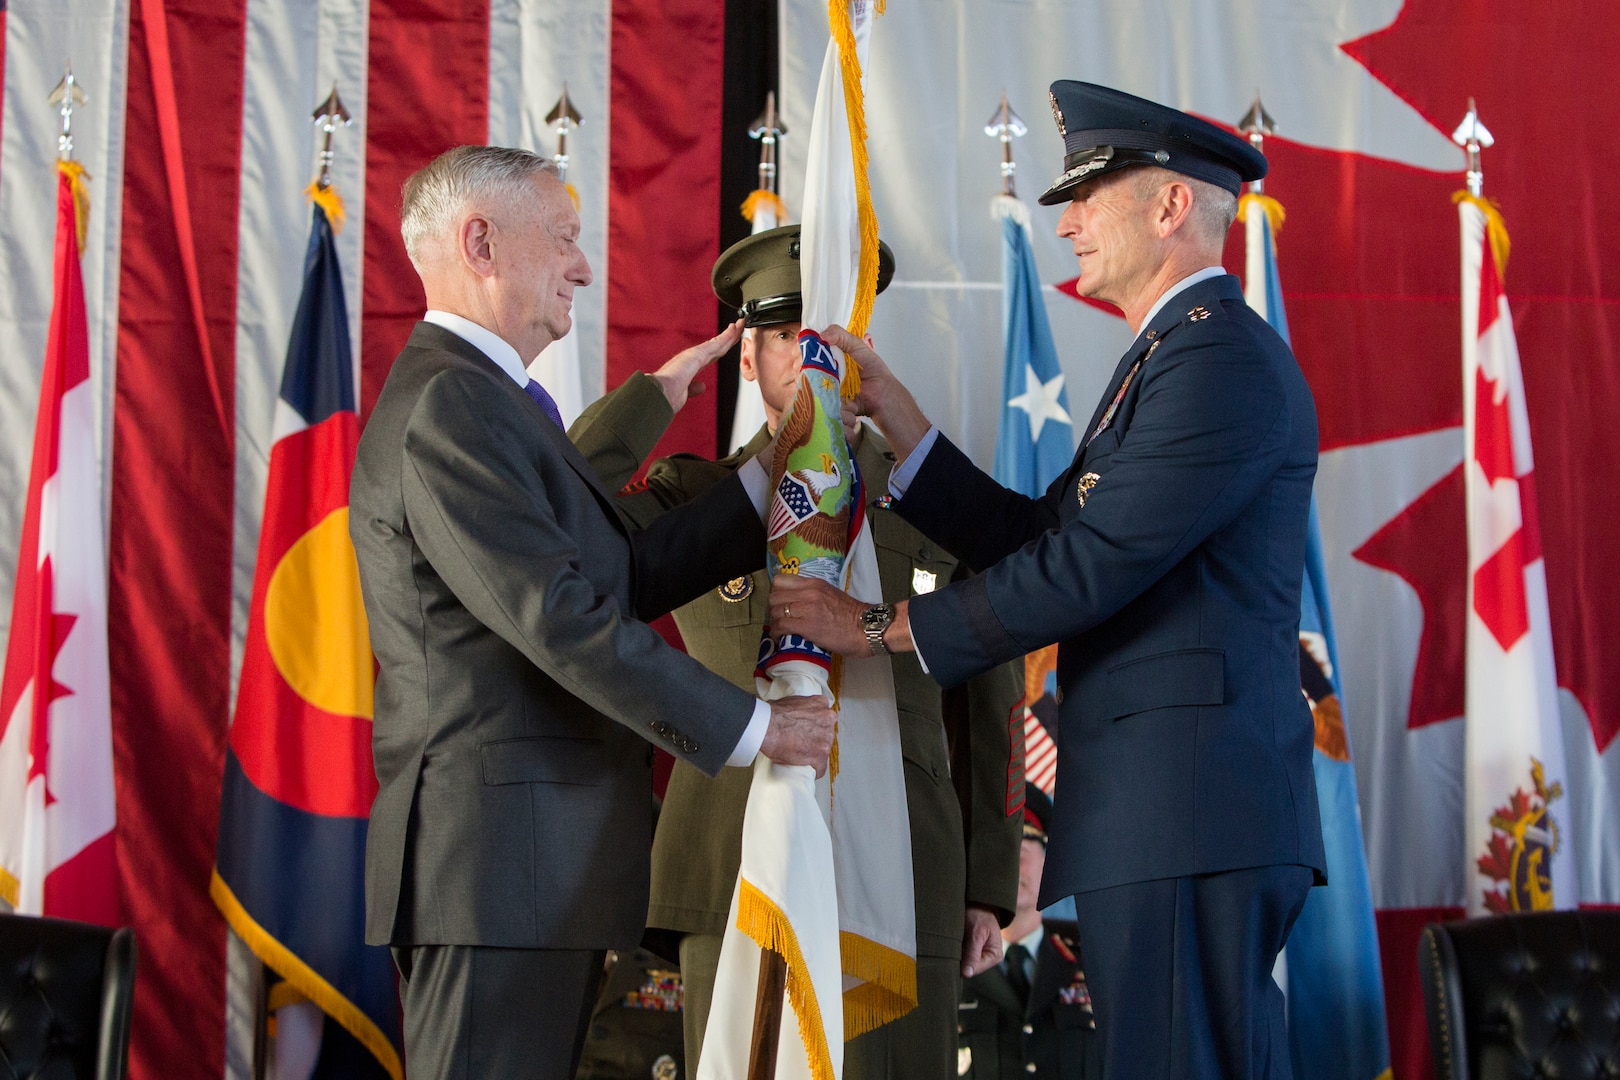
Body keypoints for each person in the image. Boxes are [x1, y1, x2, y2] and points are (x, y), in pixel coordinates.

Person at [770, 81, 1326, 1080]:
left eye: (1091, 195)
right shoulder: (1164, 358)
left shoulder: (1216, 365)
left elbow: (1089, 567)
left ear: (1168, 209)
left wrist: (878, 626)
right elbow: (1038, 532)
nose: (1068, 222)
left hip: (1187, 812)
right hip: (1162, 813)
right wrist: (903, 419)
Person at [348, 145, 836, 1079]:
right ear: (481, 242)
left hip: (530, 879)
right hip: (496, 877)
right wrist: (758, 729)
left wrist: (773, 471)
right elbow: (560, 618)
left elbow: (617, 572)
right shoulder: (453, 403)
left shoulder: (490, 401)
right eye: (565, 238)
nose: (582, 264)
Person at [569, 224, 1025, 1080]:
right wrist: (653, 397)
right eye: (784, 335)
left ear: (862, 346)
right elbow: (560, 518)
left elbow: (992, 691)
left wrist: (987, 879)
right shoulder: (692, 496)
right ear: (747, 358)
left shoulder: (933, 499)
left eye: (827, 332)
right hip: (733, 860)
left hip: (907, 869)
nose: (809, 356)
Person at [958, 786, 1100, 1080]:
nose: (1008, 868)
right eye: (997, 854)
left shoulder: (1095, 968)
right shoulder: (949, 973)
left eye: (1019, 851)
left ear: (1047, 865)